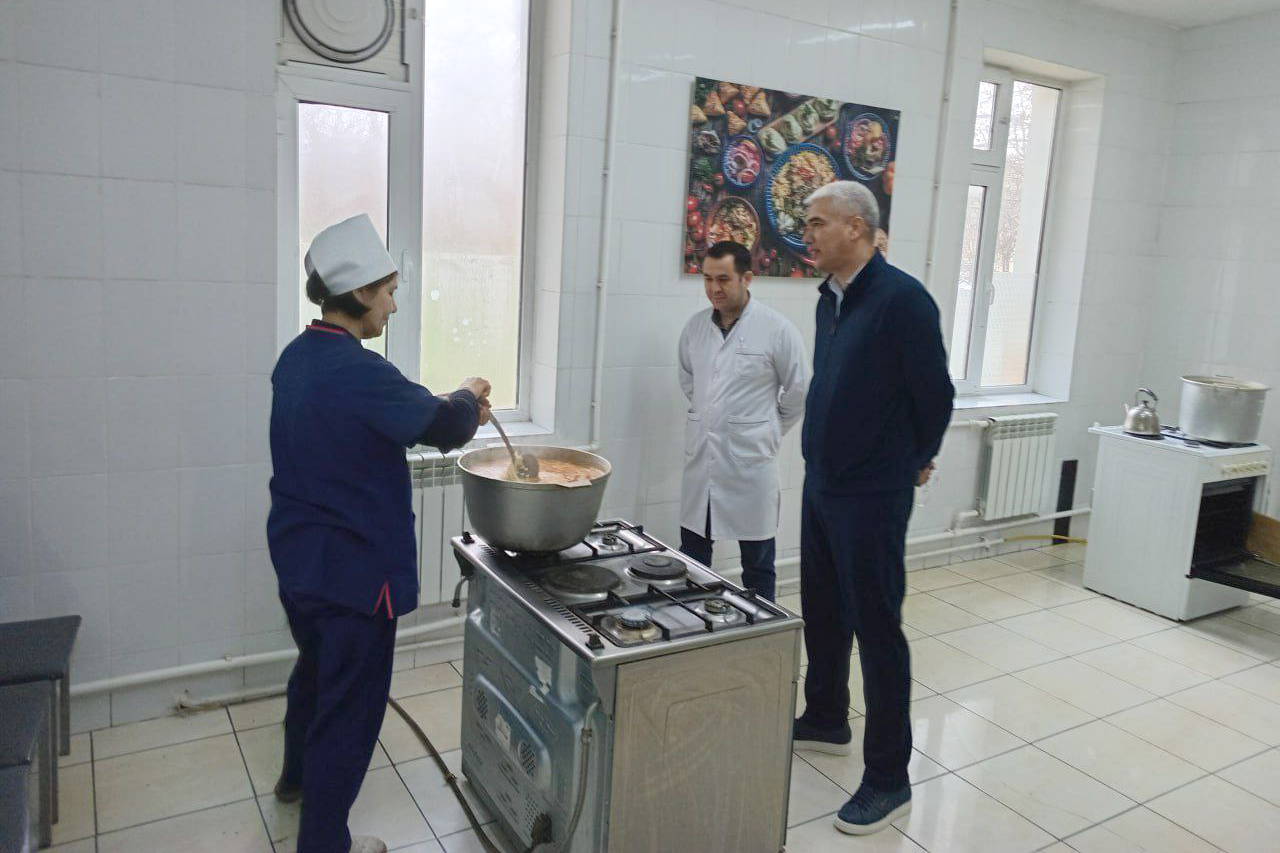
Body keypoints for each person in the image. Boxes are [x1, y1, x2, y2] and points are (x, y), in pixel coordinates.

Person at [267, 214, 492, 853]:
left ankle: (293, 779)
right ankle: (323, 842)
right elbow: (444, 426)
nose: (393, 305)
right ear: (361, 292)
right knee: (351, 711)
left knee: (315, 674)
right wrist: (469, 396)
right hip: (356, 577)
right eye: (389, 292)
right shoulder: (358, 371)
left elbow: (384, 417)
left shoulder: (297, 357)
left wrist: (448, 403)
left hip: (300, 564)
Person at [791, 183, 953, 835]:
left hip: (871, 493)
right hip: (823, 482)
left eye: (816, 223)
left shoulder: (901, 300)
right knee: (823, 608)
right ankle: (826, 715)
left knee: (877, 627)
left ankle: (889, 777)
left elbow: (934, 393)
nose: (807, 233)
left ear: (855, 228)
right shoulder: (830, 298)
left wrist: (916, 456)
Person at [678, 240, 808, 600]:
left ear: (746, 278)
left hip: (751, 464)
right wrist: (710, 417)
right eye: (707, 279)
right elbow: (689, 381)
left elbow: (799, 391)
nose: (713, 289)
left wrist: (766, 429)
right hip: (702, 459)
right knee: (693, 556)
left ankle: (762, 627)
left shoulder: (776, 329)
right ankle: (693, 622)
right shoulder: (695, 328)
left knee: (758, 564)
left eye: (723, 279)